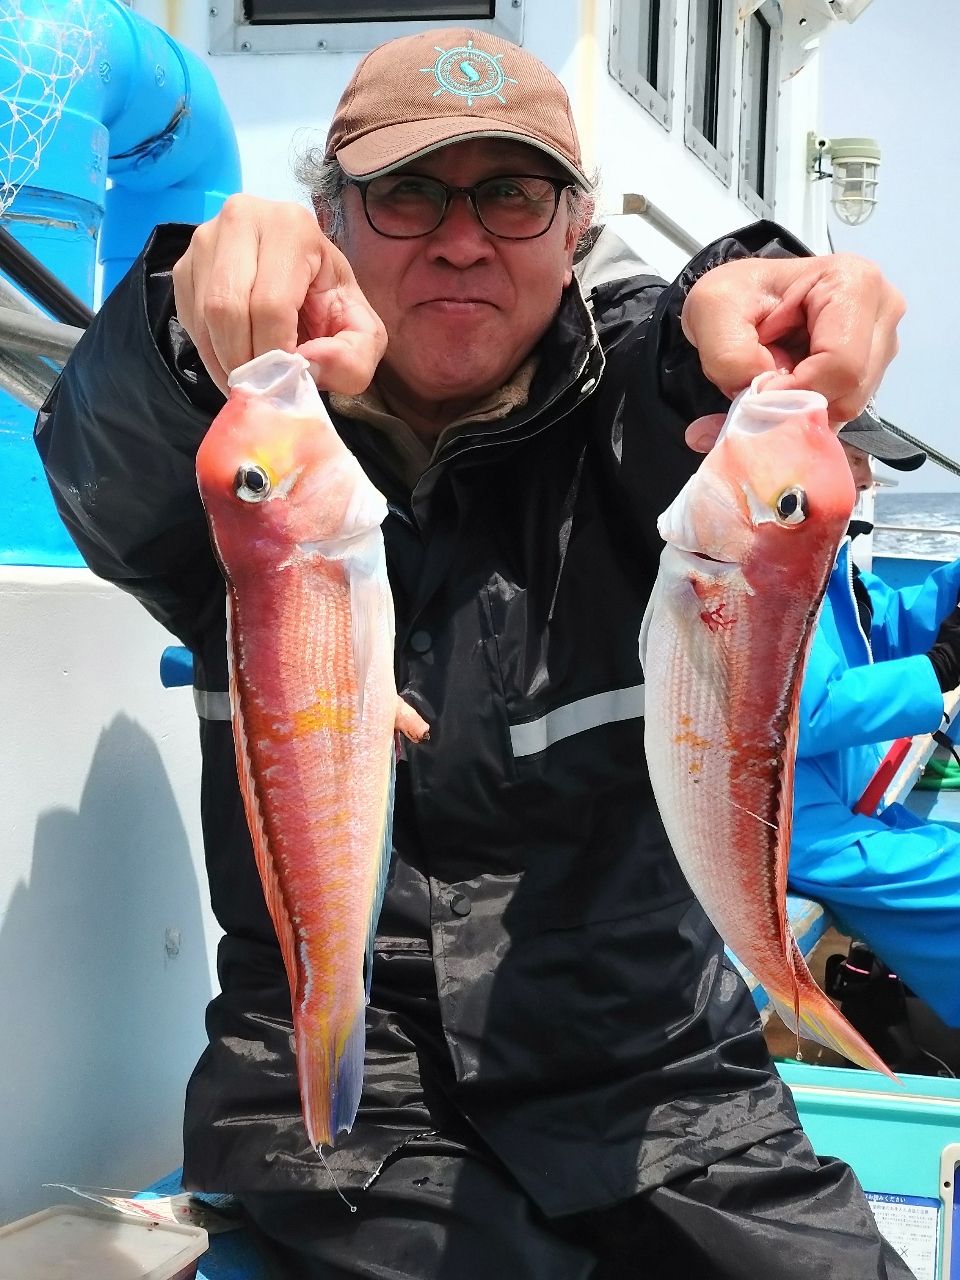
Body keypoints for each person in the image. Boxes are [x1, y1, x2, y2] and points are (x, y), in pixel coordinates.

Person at [35, 25, 911, 1280]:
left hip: (663, 1077)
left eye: (512, 193)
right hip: (338, 1101)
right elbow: (104, 466)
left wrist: (760, 306)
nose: (461, 239)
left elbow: (675, 367)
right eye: (407, 193)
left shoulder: (648, 424)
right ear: (331, 219)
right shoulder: (249, 446)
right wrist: (180, 319)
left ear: (576, 228)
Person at [791, 406, 960, 1072]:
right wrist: (941, 668)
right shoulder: (770, 570)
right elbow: (803, 711)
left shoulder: (825, 564)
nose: (865, 478)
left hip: (844, 808)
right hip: (796, 834)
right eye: (854, 457)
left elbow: (879, 629)